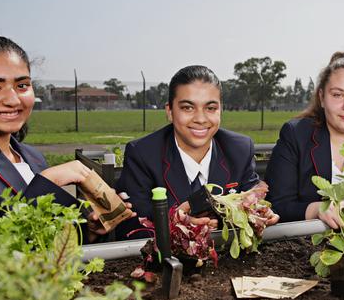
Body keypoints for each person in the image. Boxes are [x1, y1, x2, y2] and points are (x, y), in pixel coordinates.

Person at [0, 35, 133, 253]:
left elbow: (46, 244)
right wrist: (48, 180)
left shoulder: (32, 158)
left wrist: (90, 230)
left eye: (22, 85)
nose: (13, 100)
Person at [116, 65, 272, 239]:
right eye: (187, 108)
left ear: (221, 110)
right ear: (169, 111)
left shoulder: (239, 149)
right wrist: (173, 224)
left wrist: (260, 213)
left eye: (210, 108)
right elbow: (129, 228)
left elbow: (252, 196)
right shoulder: (143, 154)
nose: (200, 119)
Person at [266, 51, 344, 227]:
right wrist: (316, 209)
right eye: (337, 95)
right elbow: (277, 205)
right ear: (322, 98)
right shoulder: (296, 135)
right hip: (305, 247)